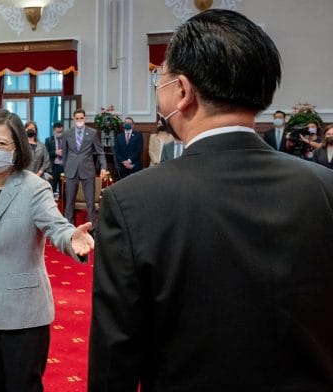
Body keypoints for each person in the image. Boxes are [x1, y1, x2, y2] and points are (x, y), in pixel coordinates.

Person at [89, 9, 333, 391]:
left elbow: (115, 358)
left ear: (182, 91)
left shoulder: (132, 202)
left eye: (160, 78)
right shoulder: (324, 187)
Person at [0, 109, 94, 392]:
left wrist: (71, 238)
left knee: (22, 386)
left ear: (18, 148)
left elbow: (56, 226)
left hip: (22, 312)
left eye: (1, 144)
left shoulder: (34, 188)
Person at [62, 108, 108, 227]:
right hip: (71, 171)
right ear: (73, 119)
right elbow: (65, 154)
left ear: (85, 118)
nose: (79, 120)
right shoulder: (67, 133)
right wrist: (66, 169)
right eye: (77, 118)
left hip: (88, 171)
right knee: (69, 203)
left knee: (90, 203)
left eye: (81, 118)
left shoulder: (92, 133)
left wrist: (103, 167)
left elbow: (100, 151)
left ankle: (92, 230)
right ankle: (70, 229)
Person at [44, 121, 65, 196]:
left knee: (64, 188)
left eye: (61, 131)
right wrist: (55, 152)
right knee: (53, 187)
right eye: (58, 132)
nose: (59, 133)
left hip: (64, 166)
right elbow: (46, 154)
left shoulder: (66, 139)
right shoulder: (48, 140)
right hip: (54, 167)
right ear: (53, 131)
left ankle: (63, 205)